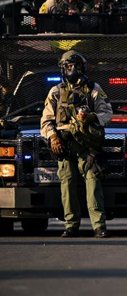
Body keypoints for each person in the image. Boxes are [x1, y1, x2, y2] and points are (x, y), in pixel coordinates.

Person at [40, 51, 113, 237]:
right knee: (67, 182)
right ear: (63, 69)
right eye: (67, 66)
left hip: (87, 146)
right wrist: (52, 137)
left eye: (74, 66)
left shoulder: (93, 89)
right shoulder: (56, 92)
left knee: (93, 181)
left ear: (81, 67)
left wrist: (92, 117)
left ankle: (99, 226)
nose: (71, 69)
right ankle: (71, 225)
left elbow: (107, 113)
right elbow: (46, 120)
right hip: (64, 145)